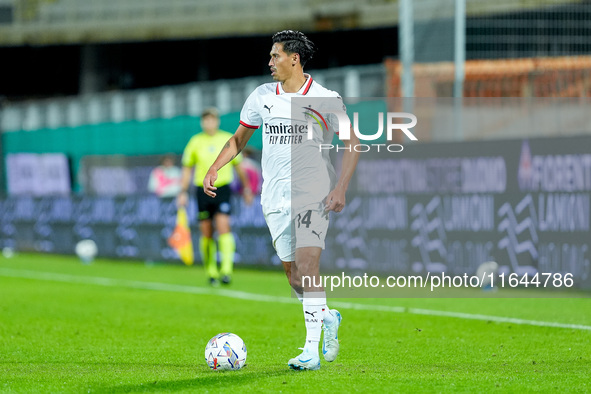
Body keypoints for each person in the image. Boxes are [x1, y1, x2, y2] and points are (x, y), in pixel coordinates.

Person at [203, 30, 359, 371]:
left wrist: (341, 187)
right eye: (270, 56)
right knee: (294, 277)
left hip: (313, 193)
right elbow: (239, 139)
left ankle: (310, 351)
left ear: (294, 59)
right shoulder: (261, 96)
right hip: (274, 196)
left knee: (308, 266)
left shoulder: (325, 98)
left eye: (275, 56)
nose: (270, 62)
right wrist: (215, 167)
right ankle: (328, 316)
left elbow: (353, 142)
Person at [177, 107, 254, 286]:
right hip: (201, 190)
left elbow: (239, 167)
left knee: (224, 226)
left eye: (212, 119)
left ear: (217, 121)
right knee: (206, 231)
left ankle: (226, 271)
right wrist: (182, 192)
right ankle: (211, 271)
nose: (209, 123)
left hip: (222, 188)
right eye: (205, 120)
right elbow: (187, 168)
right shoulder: (195, 141)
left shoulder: (227, 138)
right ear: (202, 122)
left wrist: (247, 188)